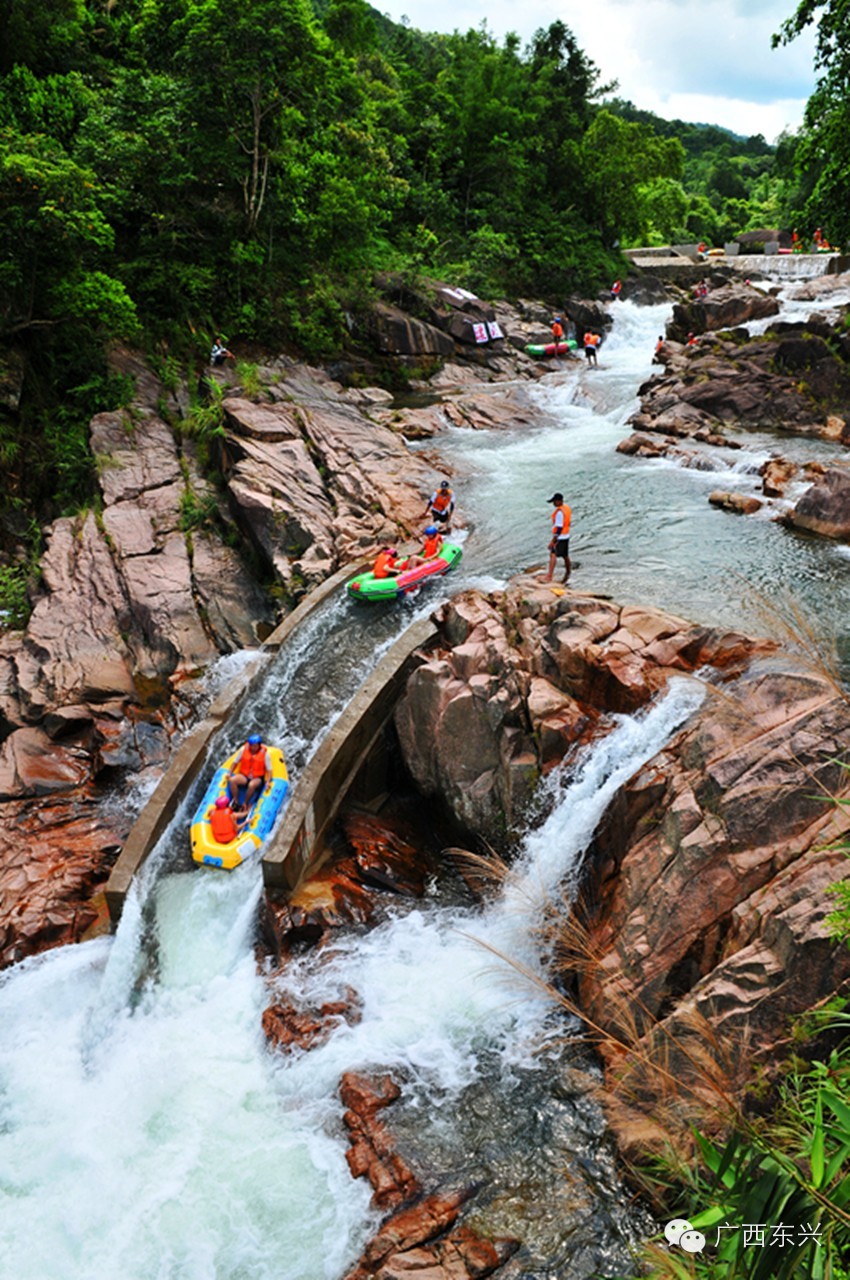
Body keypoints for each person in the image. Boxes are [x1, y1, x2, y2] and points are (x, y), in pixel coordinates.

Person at [228, 734, 271, 807]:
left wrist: (268, 781)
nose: (253, 748)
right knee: (232, 780)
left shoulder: (265, 754)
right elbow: (235, 762)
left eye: (255, 746)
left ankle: (245, 803)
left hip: (257, 777)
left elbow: (269, 770)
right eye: (252, 745)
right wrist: (229, 772)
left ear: (259, 745)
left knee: (251, 785)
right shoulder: (243, 750)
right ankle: (235, 800)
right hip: (244, 775)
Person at [544, 493, 572, 583]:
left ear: (559, 501)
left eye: (554, 501)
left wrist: (553, 541)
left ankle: (549, 576)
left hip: (560, 537)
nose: (553, 504)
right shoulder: (566, 508)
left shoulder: (559, 512)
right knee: (565, 555)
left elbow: (559, 528)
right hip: (566, 535)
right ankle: (568, 571)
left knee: (553, 554)